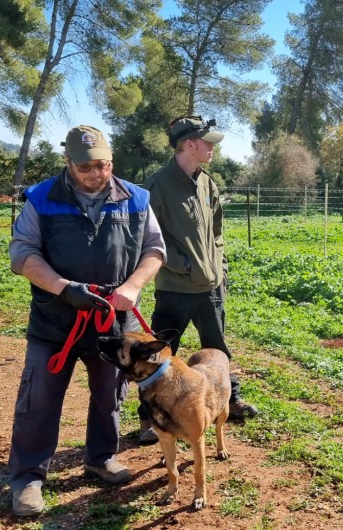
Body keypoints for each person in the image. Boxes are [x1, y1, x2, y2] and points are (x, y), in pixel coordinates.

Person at [7, 125, 166, 516]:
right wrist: (63, 288)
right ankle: (28, 477)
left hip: (112, 321)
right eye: (86, 167)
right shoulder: (42, 198)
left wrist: (132, 285)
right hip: (55, 322)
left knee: (109, 395)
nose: (97, 173)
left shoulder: (136, 198)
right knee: (39, 399)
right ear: (68, 163)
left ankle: (101, 458)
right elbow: (22, 253)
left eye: (104, 164)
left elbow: (154, 249)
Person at [137, 115, 257, 444]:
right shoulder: (157, 185)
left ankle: (229, 400)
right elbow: (147, 236)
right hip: (175, 287)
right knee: (161, 353)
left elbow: (216, 233)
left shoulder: (208, 183)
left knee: (217, 348)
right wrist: (185, 265)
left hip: (210, 287)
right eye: (208, 142)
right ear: (190, 145)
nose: (213, 148)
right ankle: (149, 418)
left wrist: (219, 267)